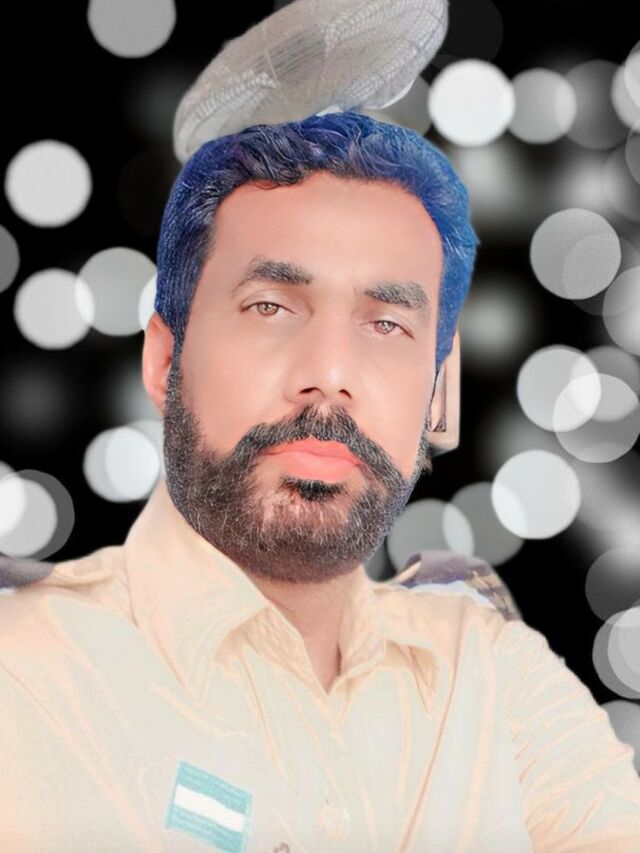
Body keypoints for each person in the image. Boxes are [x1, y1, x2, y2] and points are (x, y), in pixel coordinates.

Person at [1, 109, 640, 851]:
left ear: (436, 393)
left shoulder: (497, 673)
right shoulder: (23, 673)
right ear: (164, 360)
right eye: (270, 307)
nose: (330, 375)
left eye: (387, 324)